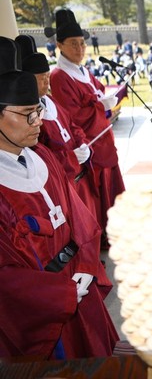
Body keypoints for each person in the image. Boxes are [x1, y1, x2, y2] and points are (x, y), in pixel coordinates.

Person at [0, 36, 118, 359]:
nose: (38, 121)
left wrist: (86, 262)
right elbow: (7, 281)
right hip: (46, 308)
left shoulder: (44, 158)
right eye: (26, 114)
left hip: (80, 285)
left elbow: (80, 217)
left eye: (37, 111)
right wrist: (60, 293)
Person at [45, 8, 125, 248]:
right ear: (59, 45)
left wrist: (104, 100)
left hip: (103, 139)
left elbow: (99, 90)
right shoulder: (59, 76)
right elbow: (71, 115)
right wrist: (99, 105)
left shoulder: (83, 70)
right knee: (98, 194)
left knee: (111, 189)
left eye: (82, 44)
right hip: (89, 145)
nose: (79, 49)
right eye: (73, 44)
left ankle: (117, 229)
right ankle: (103, 235)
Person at [15, 34, 100, 226]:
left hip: (80, 176)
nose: (47, 83)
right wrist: (70, 157)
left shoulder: (51, 101)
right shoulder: (29, 115)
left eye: (47, 77)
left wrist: (81, 143)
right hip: (63, 179)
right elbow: (41, 153)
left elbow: (71, 125)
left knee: (89, 221)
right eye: (40, 79)